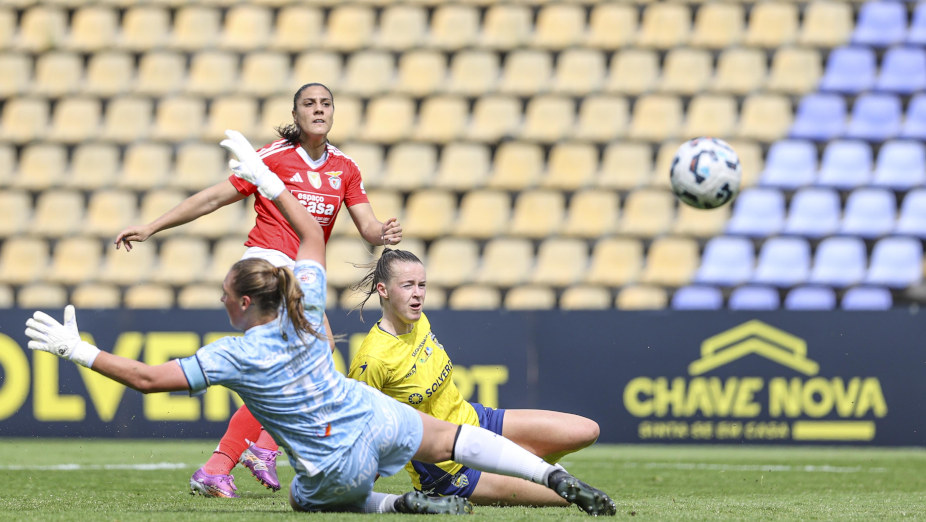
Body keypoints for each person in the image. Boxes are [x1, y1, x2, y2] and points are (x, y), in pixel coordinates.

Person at [24, 132, 617, 516]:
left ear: (239, 304)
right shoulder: (306, 296)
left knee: (306, 499)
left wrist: (78, 351)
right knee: (449, 438)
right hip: (371, 415)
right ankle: (549, 477)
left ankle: (391, 506)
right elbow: (310, 233)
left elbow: (147, 379)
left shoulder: (235, 355)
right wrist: (269, 176)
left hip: (334, 464)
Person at [113, 84, 401, 496]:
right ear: (296, 114)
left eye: (325, 103)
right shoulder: (273, 157)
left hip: (302, 271)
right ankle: (263, 448)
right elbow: (215, 197)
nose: (318, 110)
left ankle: (218, 467)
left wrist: (382, 232)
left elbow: (368, 227)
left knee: (290, 372)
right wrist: (152, 226)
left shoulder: (346, 167)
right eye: (309, 104)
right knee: (317, 362)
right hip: (268, 266)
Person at [348, 249, 601, 507]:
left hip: (477, 422)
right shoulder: (372, 359)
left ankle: (516, 463)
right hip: (448, 471)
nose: (418, 294)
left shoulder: (419, 320)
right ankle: (508, 470)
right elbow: (360, 432)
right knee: (565, 493)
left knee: (586, 431)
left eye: (422, 285)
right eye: (407, 286)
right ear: (383, 290)